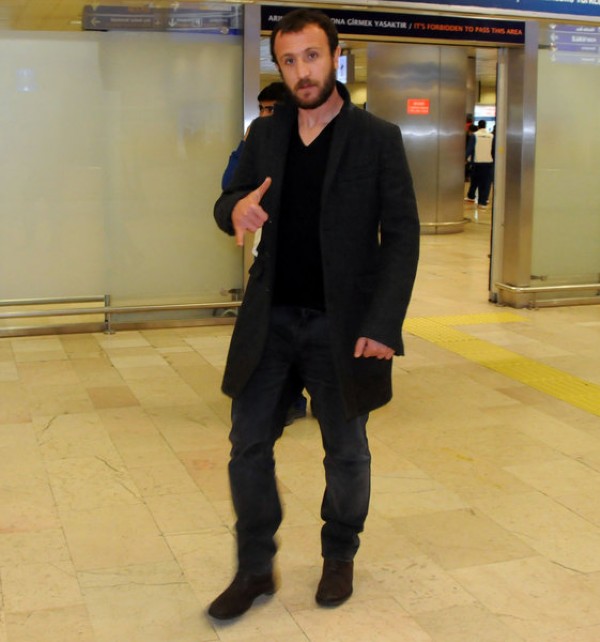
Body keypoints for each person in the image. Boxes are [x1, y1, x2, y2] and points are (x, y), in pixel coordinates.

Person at [209, 8, 420, 620]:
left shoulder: (377, 138)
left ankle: (339, 554)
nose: (302, 71)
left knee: (346, 450)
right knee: (248, 444)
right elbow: (228, 199)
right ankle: (255, 568)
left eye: (312, 56)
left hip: (344, 324)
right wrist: (234, 210)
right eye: (289, 60)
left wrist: (383, 324)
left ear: (335, 56)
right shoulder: (264, 133)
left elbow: (402, 236)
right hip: (271, 318)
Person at [222, 81, 309, 425]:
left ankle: (314, 395)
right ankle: (289, 399)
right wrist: (245, 145)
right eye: (260, 109)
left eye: (270, 109)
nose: (263, 116)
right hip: (271, 260)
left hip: (313, 262)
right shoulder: (259, 143)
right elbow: (230, 186)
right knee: (278, 333)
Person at [465, 119, 494, 208]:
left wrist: (465, 158)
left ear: (478, 126)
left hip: (477, 162)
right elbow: (493, 150)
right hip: (488, 162)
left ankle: (471, 196)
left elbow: (469, 149)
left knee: (475, 180)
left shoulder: (475, 135)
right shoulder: (491, 136)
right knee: (486, 182)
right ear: (485, 126)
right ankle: (483, 201)